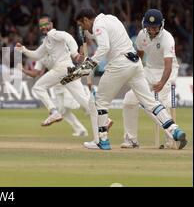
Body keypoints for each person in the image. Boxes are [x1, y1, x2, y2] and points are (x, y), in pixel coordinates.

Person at [72, 8, 187, 150]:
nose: (83, 27)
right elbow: (100, 35)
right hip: (135, 63)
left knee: (100, 101)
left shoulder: (98, 26)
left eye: (82, 24)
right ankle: (174, 129)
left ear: (86, 19)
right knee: (150, 102)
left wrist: (88, 66)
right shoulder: (111, 19)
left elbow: (104, 47)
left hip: (119, 65)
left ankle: (103, 141)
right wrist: (86, 34)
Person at [122, 9, 180, 149]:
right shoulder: (142, 35)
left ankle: (172, 139)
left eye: (155, 27)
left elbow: (168, 66)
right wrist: (133, 72)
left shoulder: (168, 38)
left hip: (167, 71)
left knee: (162, 103)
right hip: (148, 70)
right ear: (144, 24)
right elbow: (139, 55)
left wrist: (161, 82)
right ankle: (131, 139)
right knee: (129, 100)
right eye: (149, 27)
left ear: (161, 25)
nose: (152, 30)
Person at [22, 59, 89, 137]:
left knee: (77, 104)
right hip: (58, 87)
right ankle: (81, 130)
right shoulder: (40, 56)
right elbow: (36, 73)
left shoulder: (59, 51)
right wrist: (23, 70)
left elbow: (72, 60)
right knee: (64, 112)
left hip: (69, 81)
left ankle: (99, 117)